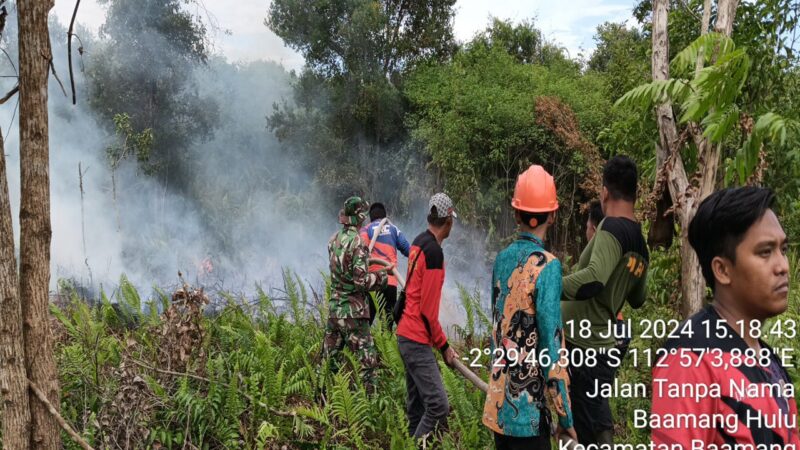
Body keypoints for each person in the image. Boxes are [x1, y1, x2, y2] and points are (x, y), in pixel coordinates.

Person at [652, 186, 798, 447]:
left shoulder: (768, 362)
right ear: (722, 270)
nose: (783, 266)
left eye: (783, 250)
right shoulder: (689, 359)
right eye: (765, 252)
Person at [482, 165, 577, 450]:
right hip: (530, 418)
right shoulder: (548, 267)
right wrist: (566, 419)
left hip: (499, 410)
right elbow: (552, 347)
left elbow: (499, 328)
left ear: (515, 213)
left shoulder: (501, 260)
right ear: (553, 215)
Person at [561, 156, 649, 445]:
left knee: (588, 428)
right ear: (635, 193)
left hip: (583, 346)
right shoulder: (639, 241)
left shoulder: (610, 226)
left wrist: (549, 287)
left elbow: (595, 278)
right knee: (591, 418)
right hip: (600, 346)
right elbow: (638, 297)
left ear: (605, 192)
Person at [396, 192, 460, 443]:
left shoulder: (418, 241)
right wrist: (444, 346)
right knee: (438, 406)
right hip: (416, 338)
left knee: (417, 407)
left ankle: (414, 441)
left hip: (405, 335)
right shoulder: (434, 253)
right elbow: (428, 312)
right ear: (448, 221)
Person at [324, 196, 391, 394]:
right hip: (354, 313)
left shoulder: (333, 240)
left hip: (335, 310)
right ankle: (371, 409)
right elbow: (360, 282)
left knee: (328, 362)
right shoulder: (358, 243)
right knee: (368, 365)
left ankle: (324, 402)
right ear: (360, 217)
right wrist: (382, 277)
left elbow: (344, 268)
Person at [586, 200, 631, 358]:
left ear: (593, 228)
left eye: (586, 227)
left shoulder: (594, 260)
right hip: (620, 328)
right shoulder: (618, 252)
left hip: (602, 329)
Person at [360, 202, 411, 328]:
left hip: (372, 283)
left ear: (370, 217)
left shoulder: (365, 230)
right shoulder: (394, 229)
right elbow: (408, 250)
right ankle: (385, 344)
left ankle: (367, 346)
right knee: (387, 324)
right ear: (384, 216)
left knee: (366, 324)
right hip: (391, 281)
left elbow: (360, 254)